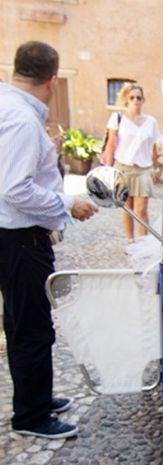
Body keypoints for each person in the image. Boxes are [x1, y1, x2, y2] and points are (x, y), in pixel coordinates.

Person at [0, 41, 98, 440]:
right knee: (33, 328)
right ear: (52, 81)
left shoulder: (9, 107)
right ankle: (31, 415)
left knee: (25, 323)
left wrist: (47, 155)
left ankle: (36, 396)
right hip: (22, 238)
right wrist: (68, 202)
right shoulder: (23, 120)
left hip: (13, 237)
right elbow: (15, 189)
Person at [101, 82, 162, 244]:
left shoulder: (151, 122)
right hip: (123, 168)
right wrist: (108, 170)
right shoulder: (117, 118)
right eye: (132, 97)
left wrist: (157, 168)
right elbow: (111, 144)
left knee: (141, 210)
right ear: (126, 99)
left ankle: (143, 243)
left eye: (139, 98)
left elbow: (156, 147)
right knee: (127, 208)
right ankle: (130, 240)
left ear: (143, 100)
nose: (136, 100)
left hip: (144, 169)